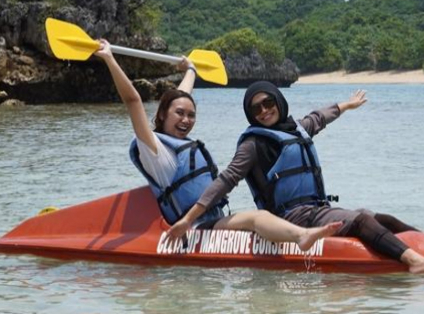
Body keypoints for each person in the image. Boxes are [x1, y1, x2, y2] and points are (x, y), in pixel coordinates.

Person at [169, 81, 424, 273]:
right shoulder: (253, 145)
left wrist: (345, 105)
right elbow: (225, 181)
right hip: (291, 217)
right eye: (255, 108)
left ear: (279, 101)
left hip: (316, 209)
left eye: (268, 102)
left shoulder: (295, 129)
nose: (264, 111)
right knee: (359, 220)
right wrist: (188, 219)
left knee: (384, 219)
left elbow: (319, 117)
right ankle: (413, 261)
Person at [94, 42, 341, 251]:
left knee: (258, 221)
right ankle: (301, 237)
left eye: (191, 115)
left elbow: (180, 100)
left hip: (214, 223)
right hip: (192, 230)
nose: (186, 120)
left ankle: (301, 234)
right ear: (161, 116)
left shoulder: (177, 140)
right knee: (258, 217)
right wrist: (109, 58)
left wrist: (190, 69)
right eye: (179, 114)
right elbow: (133, 100)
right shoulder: (154, 151)